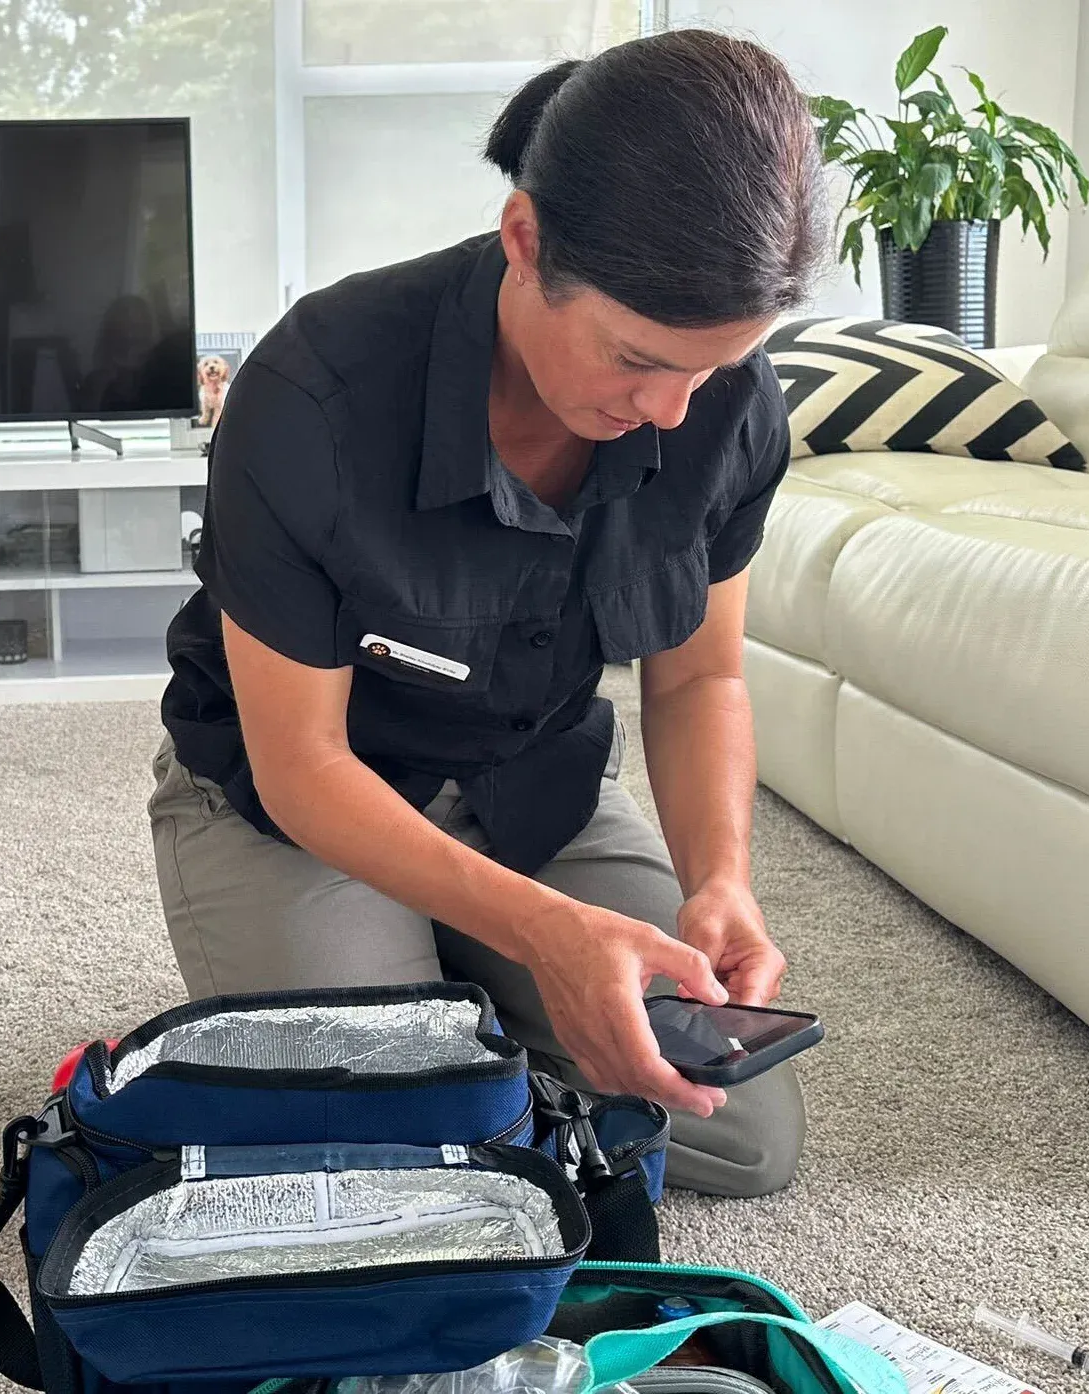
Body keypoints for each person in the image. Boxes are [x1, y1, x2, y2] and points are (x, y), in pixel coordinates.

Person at [150, 28, 826, 1196]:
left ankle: (467, 1007)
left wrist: (720, 877)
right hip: (302, 800)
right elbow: (302, 763)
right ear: (526, 242)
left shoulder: (722, 408)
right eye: (638, 359)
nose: (672, 412)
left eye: (711, 372)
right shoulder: (310, 395)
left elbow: (700, 676)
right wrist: (546, 936)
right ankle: (439, 1022)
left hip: (531, 782)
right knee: (398, 1140)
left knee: (733, 1127)